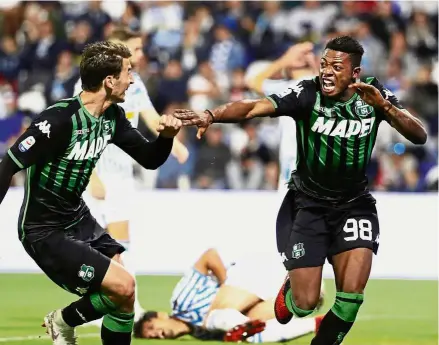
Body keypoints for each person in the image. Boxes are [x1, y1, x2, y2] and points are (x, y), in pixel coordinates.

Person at [172, 36, 427, 345]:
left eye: (336, 67)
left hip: (355, 205)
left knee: (350, 299)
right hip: (309, 206)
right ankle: (291, 293)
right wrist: (212, 115)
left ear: (355, 73)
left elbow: (419, 135)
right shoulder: (307, 93)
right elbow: (255, 106)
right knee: (305, 304)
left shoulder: (373, 95)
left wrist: (384, 106)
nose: (327, 72)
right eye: (324, 65)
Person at [0, 41, 182, 345]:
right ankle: (62, 321)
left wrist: (165, 137)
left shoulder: (112, 118)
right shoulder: (58, 120)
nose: (133, 79)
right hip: (44, 229)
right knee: (122, 286)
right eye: (128, 72)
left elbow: (150, 160)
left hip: (78, 218)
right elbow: (8, 165)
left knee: (125, 297)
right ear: (109, 81)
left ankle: (62, 321)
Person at [73, 27, 190, 324]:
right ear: (117, 49)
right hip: (97, 172)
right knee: (102, 244)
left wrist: (172, 142)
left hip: (122, 173)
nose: (140, 54)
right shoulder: (90, 84)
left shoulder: (134, 85)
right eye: (135, 49)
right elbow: (79, 130)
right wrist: (91, 177)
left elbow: (149, 116)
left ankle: (123, 304)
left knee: (118, 243)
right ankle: (112, 305)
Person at [134, 248, 324, 343]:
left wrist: (225, 283)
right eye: (150, 337)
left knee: (217, 317)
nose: (155, 335)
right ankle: (319, 323)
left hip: (259, 272)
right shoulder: (202, 334)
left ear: (160, 315)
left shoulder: (181, 300)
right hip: (291, 289)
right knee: (253, 332)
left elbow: (209, 255)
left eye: (151, 327)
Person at [246, 42, 318, 193]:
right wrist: (316, 64)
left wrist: (285, 59)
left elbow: (252, 82)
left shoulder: (287, 89)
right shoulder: (289, 87)